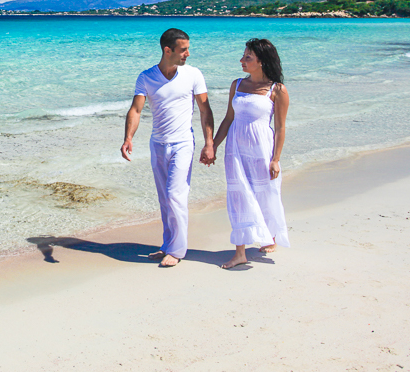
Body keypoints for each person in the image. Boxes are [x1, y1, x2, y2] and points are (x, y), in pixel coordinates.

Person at [121, 28, 214, 267]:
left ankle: (178, 250)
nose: (188, 54)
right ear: (167, 50)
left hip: (183, 142)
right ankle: (167, 245)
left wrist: (209, 143)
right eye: (183, 50)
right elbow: (136, 110)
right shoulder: (146, 77)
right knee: (165, 198)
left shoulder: (193, 74)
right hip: (158, 144)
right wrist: (128, 137)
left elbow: (205, 110)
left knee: (176, 195)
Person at [213, 38, 290, 269]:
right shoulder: (237, 84)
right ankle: (240, 252)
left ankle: (270, 236)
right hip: (235, 149)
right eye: (244, 55)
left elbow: (280, 128)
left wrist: (276, 159)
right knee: (239, 195)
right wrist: (213, 145)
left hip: (261, 150)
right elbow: (229, 118)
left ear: (262, 61)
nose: (242, 60)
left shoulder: (277, 90)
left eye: (248, 57)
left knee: (265, 193)